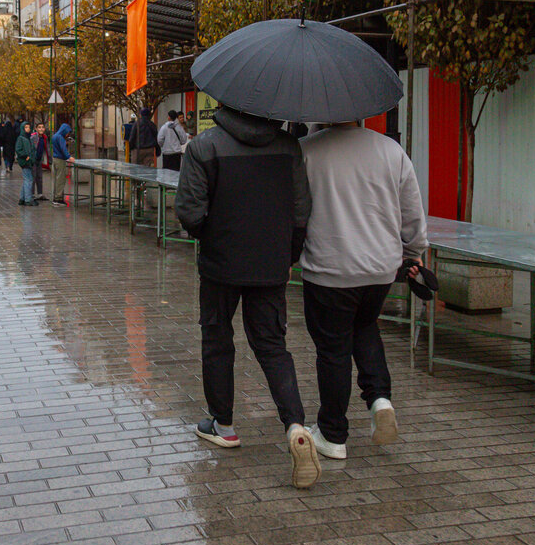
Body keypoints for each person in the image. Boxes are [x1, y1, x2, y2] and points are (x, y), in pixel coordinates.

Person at [175, 104, 318, 490]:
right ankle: (295, 425)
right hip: (271, 264)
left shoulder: (203, 146)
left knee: (218, 340)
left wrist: (212, 234)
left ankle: (223, 424)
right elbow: (302, 210)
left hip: (221, 266)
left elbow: (189, 212)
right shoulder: (289, 147)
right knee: (273, 345)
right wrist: (287, 254)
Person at [297, 122, 427, 461]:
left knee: (333, 348)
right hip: (380, 268)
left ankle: (332, 433)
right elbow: (412, 210)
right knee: (365, 327)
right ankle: (379, 399)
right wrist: (414, 251)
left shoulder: (306, 150)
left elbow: (293, 210)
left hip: (330, 268)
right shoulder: (390, 150)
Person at [50, 123, 73, 208]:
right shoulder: (60, 138)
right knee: (61, 179)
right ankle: (58, 198)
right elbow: (63, 149)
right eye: (67, 133)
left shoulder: (55, 136)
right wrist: (69, 157)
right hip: (60, 160)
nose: (67, 135)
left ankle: (56, 196)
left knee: (56, 179)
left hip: (55, 159)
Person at [15, 121, 37, 206]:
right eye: (26, 127)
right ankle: (28, 199)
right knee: (29, 180)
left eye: (29, 127)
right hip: (25, 161)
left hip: (29, 161)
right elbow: (18, 149)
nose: (28, 129)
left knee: (26, 180)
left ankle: (23, 198)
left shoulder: (28, 137)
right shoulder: (21, 138)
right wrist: (26, 156)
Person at [32, 123, 49, 201]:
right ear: (36, 129)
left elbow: (47, 149)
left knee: (39, 177)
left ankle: (40, 193)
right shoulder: (33, 137)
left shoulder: (44, 138)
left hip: (39, 159)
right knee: (33, 177)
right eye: (39, 127)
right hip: (33, 160)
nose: (41, 129)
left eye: (42, 127)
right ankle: (31, 194)